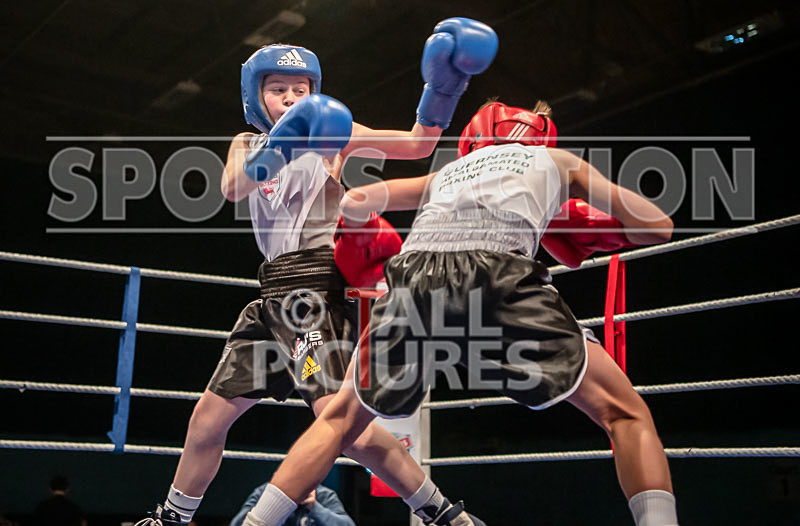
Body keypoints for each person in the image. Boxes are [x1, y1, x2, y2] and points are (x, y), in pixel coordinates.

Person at [244, 100, 680, 526]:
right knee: (624, 413)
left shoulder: (446, 174)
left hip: (414, 278)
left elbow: (356, 201)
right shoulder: (557, 161)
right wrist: (575, 222)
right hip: (499, 273)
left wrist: (363, 236)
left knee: (339, 419)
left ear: (473, 136)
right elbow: (659, 226)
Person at [136, 17, 497, 526]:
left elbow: (417, 144)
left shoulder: (335, 132)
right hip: (269, 301)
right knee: (208, 417)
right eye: (278, 89)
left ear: (314, 92)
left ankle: (442, 514)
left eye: (299, 90)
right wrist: (285, 140)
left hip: (311, 297)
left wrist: (444, 87)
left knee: (341, 423)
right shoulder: (246, 143)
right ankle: (171, 517)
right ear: (254, 95)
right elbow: (232, 189)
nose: (289, 97)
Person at [231, 484, 354, 526]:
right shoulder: (265, 492)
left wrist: (315, 508)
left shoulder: (324, 495)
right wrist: (272, 503)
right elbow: (237, 524)